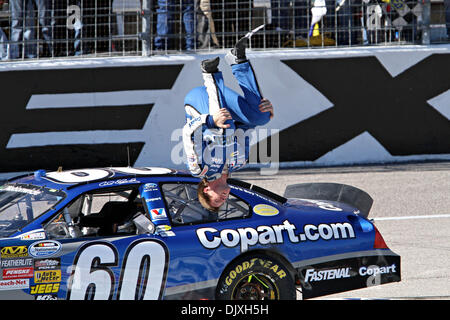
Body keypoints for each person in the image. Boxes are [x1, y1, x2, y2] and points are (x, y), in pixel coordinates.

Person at [182, 38, 274, 212]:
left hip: (197, 102)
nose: (224, 199)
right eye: (223, 202)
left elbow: (188, 132)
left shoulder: (199, 170)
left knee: (222, 129)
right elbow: (245, 128)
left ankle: (209, 73)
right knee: (260, 117)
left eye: (217, 201)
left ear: (206, 190)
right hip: (223, 110)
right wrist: (265, 113)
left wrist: (209, 120)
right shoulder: (239, 162)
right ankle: (237, 61)